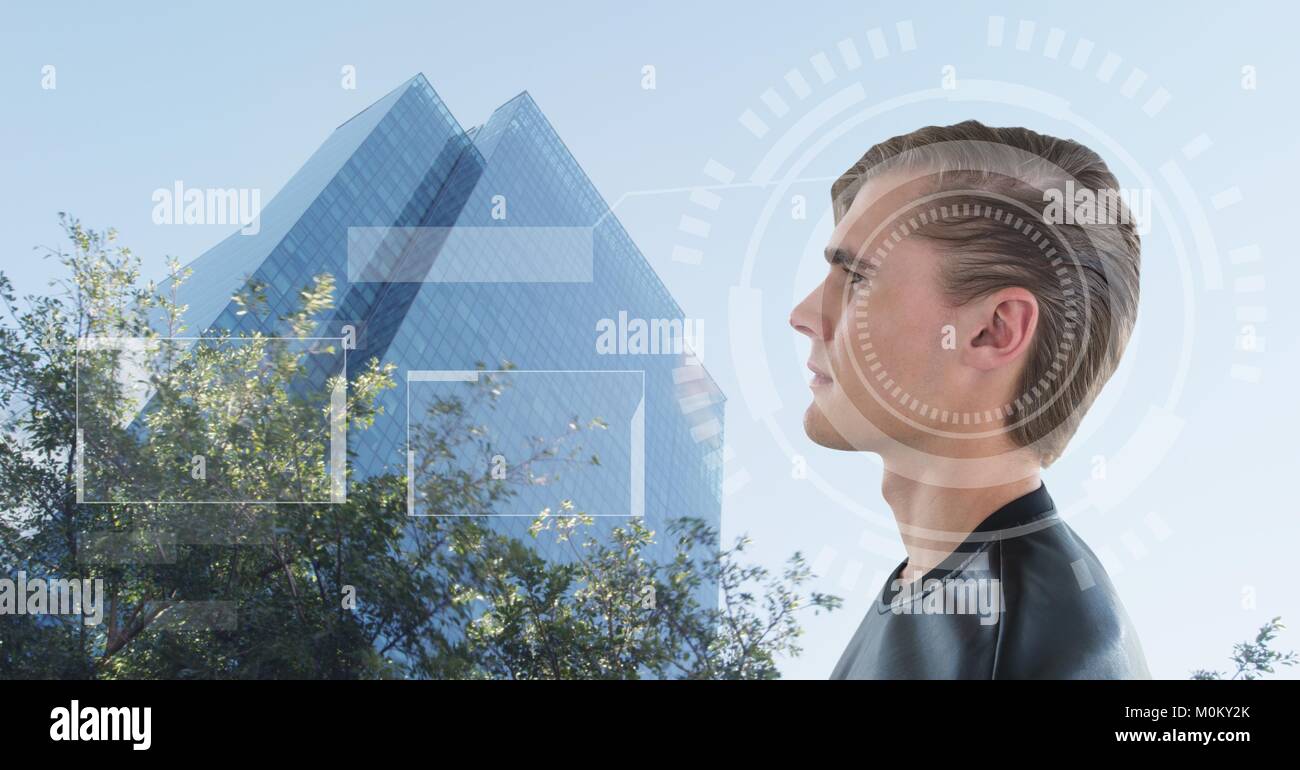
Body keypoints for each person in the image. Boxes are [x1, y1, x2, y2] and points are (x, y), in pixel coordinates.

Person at [789, 121, 1149, 679]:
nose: (805, 314)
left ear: (994, 331)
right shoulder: (939, 594)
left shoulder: (1020, 648)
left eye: (856, 276)